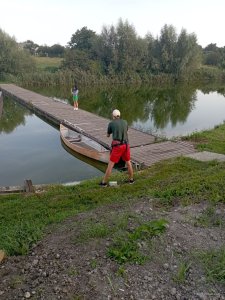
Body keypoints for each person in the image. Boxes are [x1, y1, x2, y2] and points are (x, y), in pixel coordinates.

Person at [100, 109, 134, 186]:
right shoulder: (125, 122)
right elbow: (126, 130)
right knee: (128, 162)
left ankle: (104, 182)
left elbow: (108, 135)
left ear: (113, 116)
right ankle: (131, 180)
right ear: (119, 115)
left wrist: (109, 133)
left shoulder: (111, 123)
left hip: (118, 146)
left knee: (111, 164)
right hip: (126, 145)